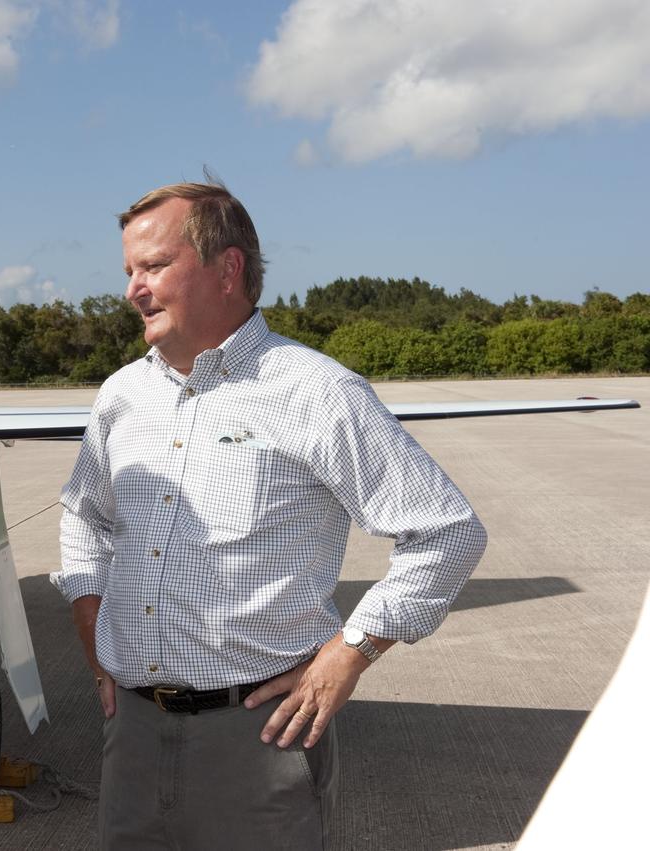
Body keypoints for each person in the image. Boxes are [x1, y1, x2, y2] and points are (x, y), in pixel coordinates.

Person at [53, 179, 487, 849]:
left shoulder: (314, 390)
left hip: (257, 739)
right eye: (129, 271)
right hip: (132, 735)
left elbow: (447, 531)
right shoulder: (121, 396)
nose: (133, 289)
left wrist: (350, 651)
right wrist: (91, 617)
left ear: (228, 268)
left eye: (155, 266)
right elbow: (86, 516)